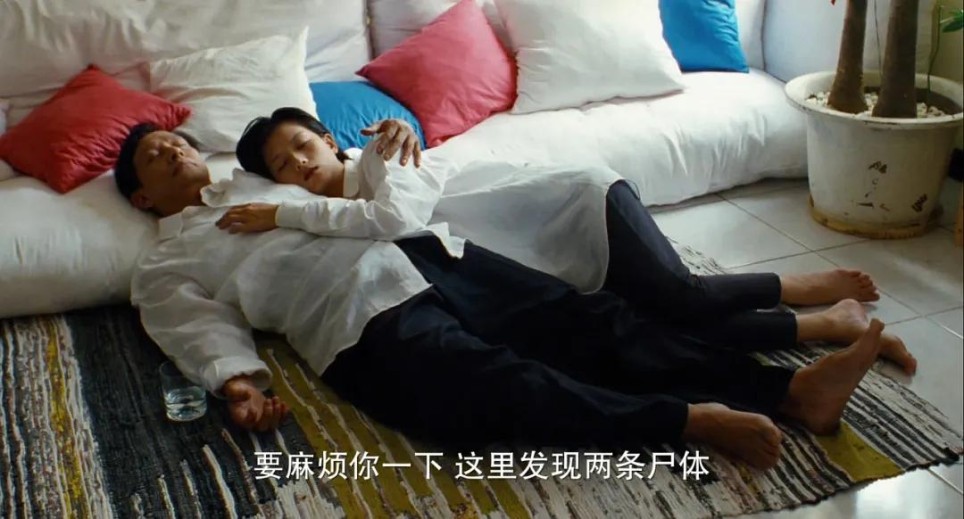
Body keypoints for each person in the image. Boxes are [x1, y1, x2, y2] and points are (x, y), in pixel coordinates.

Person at [116, 120, 902, 470]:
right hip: (353, 319)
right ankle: (685, 420)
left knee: (596, 323)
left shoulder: (257, 178)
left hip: (428, 256)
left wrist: (392, 145)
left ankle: (790, 392)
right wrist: (238, 381)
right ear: (143, 198)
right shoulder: (164, 260)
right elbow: (194, 324)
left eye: (175, 137)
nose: (173, 146)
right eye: (155, 154)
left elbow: (350, 176)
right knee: (494, 385)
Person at [229, 107, 915, 371]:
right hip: (550, 250)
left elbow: (392, 219)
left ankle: (803, 289)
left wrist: (281, 216)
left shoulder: (385, 151)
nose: (299, 166)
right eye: (282, 167)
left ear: (328, 138)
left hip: (579, 204)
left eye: (302, 146)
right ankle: (829, 323)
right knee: (649, 323)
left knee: (680, 297)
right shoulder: (330, 213)